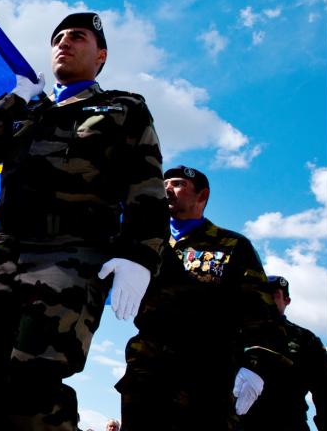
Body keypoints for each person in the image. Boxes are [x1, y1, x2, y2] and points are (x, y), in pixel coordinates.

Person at [0, 12, 170, 430]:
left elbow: (146, 187)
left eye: (77, 37)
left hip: (71, 252)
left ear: (101, 56)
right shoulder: (29, 109)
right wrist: (15, 98)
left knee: (32, 382)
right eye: (58, 38)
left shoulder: (124, 108)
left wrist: (141, 256)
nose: (64, 43)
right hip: (5, 251)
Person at [115, 166, 285, 430]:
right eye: (165, 183)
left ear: (202, 196)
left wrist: (256, 366)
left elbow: (261, 313)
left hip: (207, 373)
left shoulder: (233, 246)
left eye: (178, 184)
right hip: (148, 369)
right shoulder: (146, 243)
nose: (167, 188)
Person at [241, 275, 327, 431]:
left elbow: (325, 390)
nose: (266, 298)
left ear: (287, 300)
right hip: (238, 422)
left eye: (273, 293)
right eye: (262, 292)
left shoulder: (305, 339)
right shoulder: (236, 332)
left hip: (288, 422)